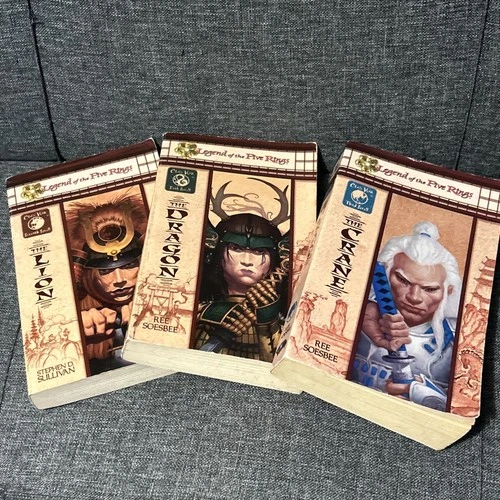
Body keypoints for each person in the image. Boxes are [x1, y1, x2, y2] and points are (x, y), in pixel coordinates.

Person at [351, 221, 462, 411]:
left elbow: (461, 406)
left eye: (430, 289)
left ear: (448, 291)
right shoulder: (356, 313)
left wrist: (421, 393)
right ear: (385, 275)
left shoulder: (457, 340)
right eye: (402, 280)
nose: (414, 297)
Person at [66, 192, 146, 374]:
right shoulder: (76, 314)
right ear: (88, 276)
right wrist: (74, 333)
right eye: (105, 271)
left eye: (129, 265)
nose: (119, 280)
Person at [194, 212, 288, 362]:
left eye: (259, 251)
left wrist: (268, 320)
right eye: (236, 248)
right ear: (219, 252)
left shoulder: (277, 315)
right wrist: (208, 313)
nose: (247, 261)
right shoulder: (199, 308)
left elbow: (279, 363)